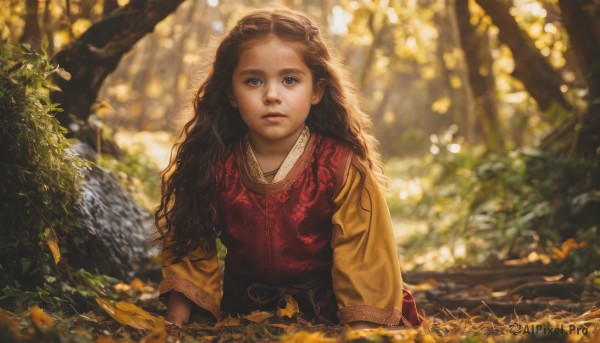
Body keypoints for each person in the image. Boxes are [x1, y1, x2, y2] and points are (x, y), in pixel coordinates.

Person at [156, 8, 421, 329]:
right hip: (243, 314)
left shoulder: (340, 166)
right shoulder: (212, 162)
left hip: (331, 314)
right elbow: (191, 243)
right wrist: (175, 326)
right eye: (253, 80)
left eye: (290, 80)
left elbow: (364, 258)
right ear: (231, 94)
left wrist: (360, 332)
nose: (271, 95)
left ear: (317, 91)